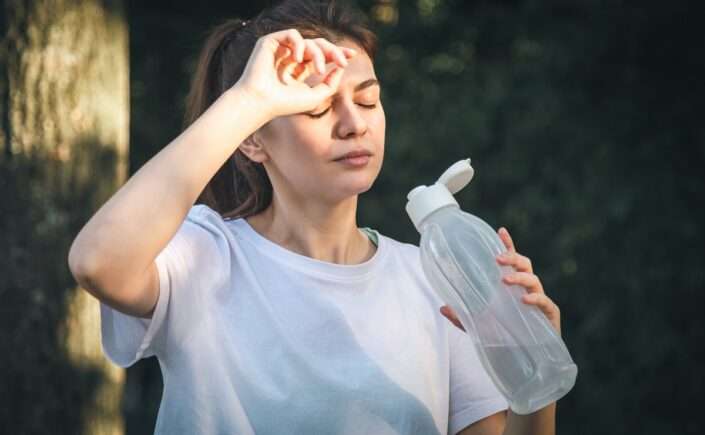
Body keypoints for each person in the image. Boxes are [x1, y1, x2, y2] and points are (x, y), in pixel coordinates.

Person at [68, 0, 562, 434]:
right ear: (253, 138)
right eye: (318, 107)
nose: (354, 124)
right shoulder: (206, 254)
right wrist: (249, 99)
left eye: (368, 99)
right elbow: (98, 262)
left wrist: (534, 364)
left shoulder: (434, 282)